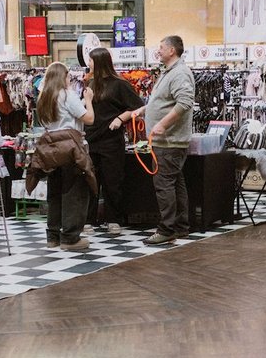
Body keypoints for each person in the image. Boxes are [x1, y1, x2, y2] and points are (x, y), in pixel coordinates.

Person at [131, 35, 196, 245]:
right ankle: (180, 226)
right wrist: (145, 110)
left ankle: (167, 229)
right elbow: (164, 101)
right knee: (175, 183)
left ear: (171, 51)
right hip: (168, 141)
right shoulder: (169, 73)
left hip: (169, 141)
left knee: (164, 185)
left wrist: (162, 124)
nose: (157, 51)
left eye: (160, 48)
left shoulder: (179, 73)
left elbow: (184, 103)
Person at [84, 47, 145, 234]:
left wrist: (120, 119)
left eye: (91, 60)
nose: (89, 64)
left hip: (111, 140)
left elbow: (138, 106)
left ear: (100, 61)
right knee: (91, 180)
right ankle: (89, 220)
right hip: (92, 138)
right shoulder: (91, 83)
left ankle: (113, 219)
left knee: (112, 180)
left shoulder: (120, 84)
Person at [37, 61, 95, 250]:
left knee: (54, 192)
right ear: (63, 77)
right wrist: (88, 100)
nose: (70, 78)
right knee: (74, 192)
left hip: (52, 149)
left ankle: (52, 236)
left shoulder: (43, 97)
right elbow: (89, 118)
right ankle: (70, 238)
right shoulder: (67, 95)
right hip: (71, 148)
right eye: (68, 75)